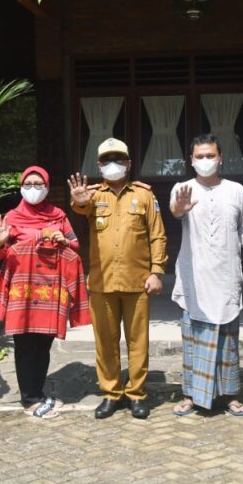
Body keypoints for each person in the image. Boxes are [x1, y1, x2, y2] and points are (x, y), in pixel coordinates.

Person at [68, 138, 167, 419]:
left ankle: (137, 394)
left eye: (119, 159)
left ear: (129, 164)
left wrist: (157, 271)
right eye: (107, 160)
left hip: (138, 282)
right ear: (99, 166)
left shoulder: (145, 195)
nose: (114, 165)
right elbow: (81, 210)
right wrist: (78, 201)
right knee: (105, 342)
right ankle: (111, 393)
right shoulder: (92, 195)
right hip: (102, 282)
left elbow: (157, 235)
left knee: (138, 342)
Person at [0, 166, 89, 419]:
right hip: (23, 293)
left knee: (43, 343)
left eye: (38, 184)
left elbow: (75, 244)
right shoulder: (12, 216)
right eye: (28, 184)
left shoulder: (58, 215)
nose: (33, 189)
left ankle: (38, 392)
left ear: (46, 187)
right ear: (21, 187)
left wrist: (63, 240)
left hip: (51, 293)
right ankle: (29, 399)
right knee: (25, 344)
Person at [169, 134, 243, 417]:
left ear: (221, 158)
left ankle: (230, 396)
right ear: (191, 161)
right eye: (199, 156)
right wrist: (179, 209)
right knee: (193, 340)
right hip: (195, 279)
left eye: (210, 156)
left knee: (228, 341)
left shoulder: (237, 191)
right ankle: (190, 395)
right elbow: (175, 211)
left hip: (227, 277)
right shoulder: (182, 188)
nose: (205, 161)